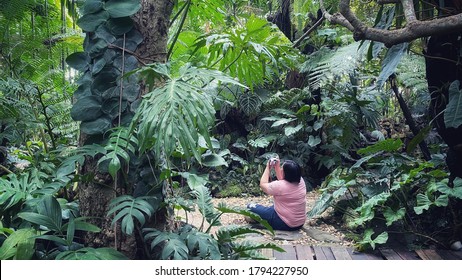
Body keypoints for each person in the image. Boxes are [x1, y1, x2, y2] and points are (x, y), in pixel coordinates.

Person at [247, 157, 306, 231]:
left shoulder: (279, 186)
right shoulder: (301, 181)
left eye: (282, 168)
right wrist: (277, 167)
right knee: (272, 207)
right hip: (299, 223)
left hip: (284, 223)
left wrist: (267, 168)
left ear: (285, 173)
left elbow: (263, 184)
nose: (281, 169)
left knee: (250, 206)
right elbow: (283, 179)